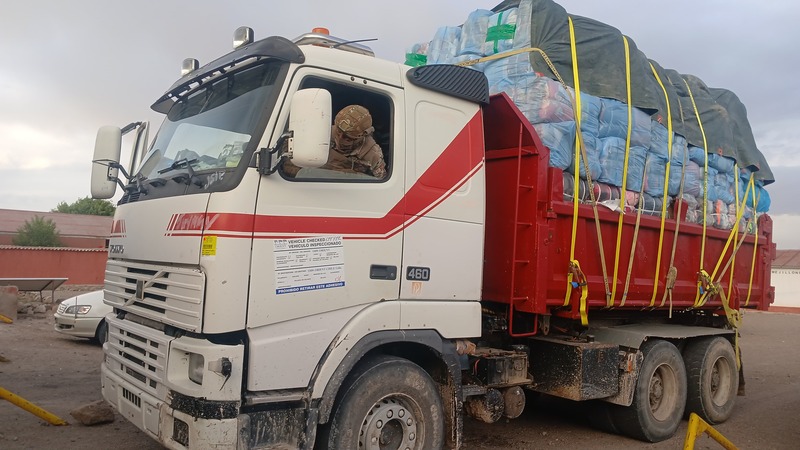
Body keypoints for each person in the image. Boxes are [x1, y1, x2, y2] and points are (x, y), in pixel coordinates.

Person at [283, 104, 387, 179]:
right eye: (338, 132)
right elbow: (288, 162)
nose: (340, 139)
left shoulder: (372, 154)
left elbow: (381, 184)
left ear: (361, 136)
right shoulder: (319, 133)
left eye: (347, 137)